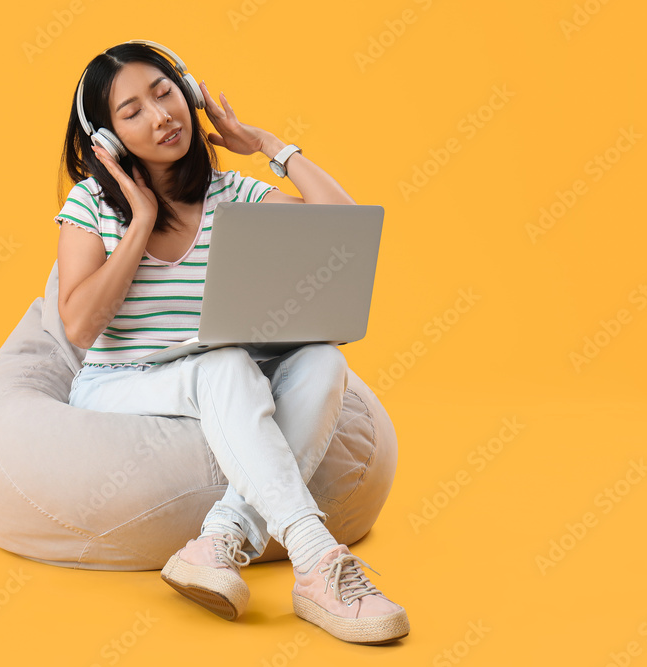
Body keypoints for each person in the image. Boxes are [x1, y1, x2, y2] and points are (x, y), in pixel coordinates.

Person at [52, 40, 409, 645]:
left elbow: (345, 229)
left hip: (228, 374)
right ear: (107, 141)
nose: (161, 116)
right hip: (121, 382)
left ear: (189, 94)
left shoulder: (231, 193)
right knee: (223, 363)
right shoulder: (91, 204)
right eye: (132, 110)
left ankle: (217, 542)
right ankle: (318, 560)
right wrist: (139, 221)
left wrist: (271, 147)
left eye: (165, 93)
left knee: (322, 359)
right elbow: (79, 327)